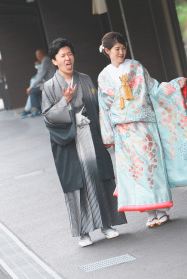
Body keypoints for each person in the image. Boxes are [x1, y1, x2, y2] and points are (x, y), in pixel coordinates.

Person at [97, 31, 187, 229]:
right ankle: (150, 212)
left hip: (145, 128)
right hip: (124, 132)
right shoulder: (103, 77)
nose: (121, 52)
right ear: (107, 51)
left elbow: (154, 89)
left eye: (123, 48)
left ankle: (162, 210)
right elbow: (104, 107)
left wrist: (173, 86)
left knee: (152, 167)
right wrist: (108, 134)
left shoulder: (136, 67)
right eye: (116, 49)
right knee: (136, 172)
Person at [41, 37, 125, 247]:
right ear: (54, 61)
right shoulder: (50, 87)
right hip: (70, 142)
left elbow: (99, 109)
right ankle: (83, 232)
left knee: (99, 180)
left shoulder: (85, 79)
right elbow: (48, 117)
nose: (68, 58)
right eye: (63, 56)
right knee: (78, 186)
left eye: (70, 54)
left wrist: (107, 132)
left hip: (91, 137)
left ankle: (107, 225)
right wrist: (65, 102)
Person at [19, 48, 55, 118]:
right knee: (35, 92)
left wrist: (31, 87)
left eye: (37, 56)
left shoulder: (45, 61)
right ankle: (36, 109)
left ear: (40, 55)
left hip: (49, 84)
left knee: (33, 92)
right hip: (48, 83)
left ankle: (37, 109)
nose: (37, 57)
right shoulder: (47, 60)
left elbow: (40, 76)